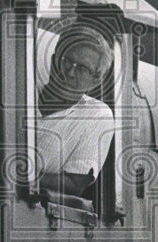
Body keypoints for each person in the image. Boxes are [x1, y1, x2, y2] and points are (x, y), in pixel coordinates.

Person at [35, 22, 115, 196]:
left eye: (83, 69)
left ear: (96, 81)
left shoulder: (97, 115)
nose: (70, 73)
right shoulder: (21, 91)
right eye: (67, 61)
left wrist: (20, 177)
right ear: (54, 59)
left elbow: (75, 182)